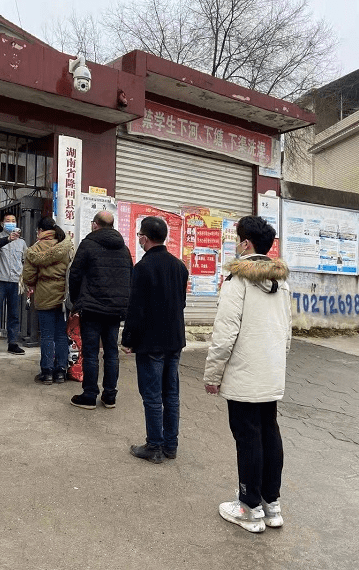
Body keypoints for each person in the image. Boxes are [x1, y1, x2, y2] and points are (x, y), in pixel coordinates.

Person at [203, 215, 291, 533]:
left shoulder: (238, 279)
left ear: (246, 244)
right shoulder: (281, 281)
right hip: (270, 371)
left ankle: (249, 508)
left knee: (248, 437)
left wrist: (213, 374)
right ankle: (272, 505)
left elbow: (225, 332)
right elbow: (287, 331)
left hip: (244, 373)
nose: (235, 244)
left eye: (238, 238)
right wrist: (278, 364)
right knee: (269, 431)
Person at [121, 217, 189, 464]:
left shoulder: (142, 268)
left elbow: (135, 309)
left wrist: (128, 339)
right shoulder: (180, 267)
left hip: (151, 342)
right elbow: (180, 304)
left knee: (151, 395)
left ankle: (154, 446)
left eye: (140, 235)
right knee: (171, 393)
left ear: (144, 238)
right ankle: (171, 445)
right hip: (174, 340)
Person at [67, 210, 132, 410]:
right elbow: (130, 277)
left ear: (95, 224)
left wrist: (77, 302)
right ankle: (110, 395)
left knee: (91, 352)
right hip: (114, 311)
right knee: (111, 353)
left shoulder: (88, 245)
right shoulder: (124, 249)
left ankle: (89, 395)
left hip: (92, 309)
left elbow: (75, 275)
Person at [21, 216, 74, 385]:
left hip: (44, 295)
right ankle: (61, 372)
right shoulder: (66, 246)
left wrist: (34, 283)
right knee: (61, 335)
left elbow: (28, 276)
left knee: (46, 336)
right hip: (63, 297)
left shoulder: (34, 250)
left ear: (41, 231)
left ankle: (47, 372)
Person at [0, 211, 27, 356]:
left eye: (13, 220)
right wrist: (8, 239)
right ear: (2, 223)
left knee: (14, 314)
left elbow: (26, 260)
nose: (11, 222)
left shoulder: (21, 242)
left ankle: (12, 343)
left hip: (15, 282)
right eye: (8, 220)